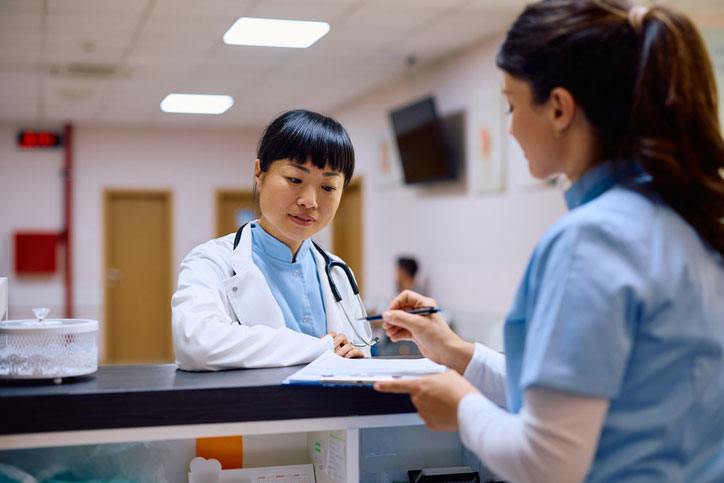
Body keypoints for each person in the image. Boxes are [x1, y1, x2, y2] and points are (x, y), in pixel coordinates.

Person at [375, 1, 724, 481]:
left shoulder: (593, 239)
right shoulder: (692, 220)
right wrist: (457, 352)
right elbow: (580, 404)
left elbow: (548, 460)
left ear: (559, 107)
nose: (511, 125)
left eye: (512, 104)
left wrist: (461, 407)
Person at [172, 110, 373, 371]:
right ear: (259, 173)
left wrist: (355, 355)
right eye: (295, 179)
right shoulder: (210, 262)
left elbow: (360, 354)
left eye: (328, 187)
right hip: (254, 411)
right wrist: (318, 348)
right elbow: (197, 345)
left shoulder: (338, 272)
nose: (309, 201)